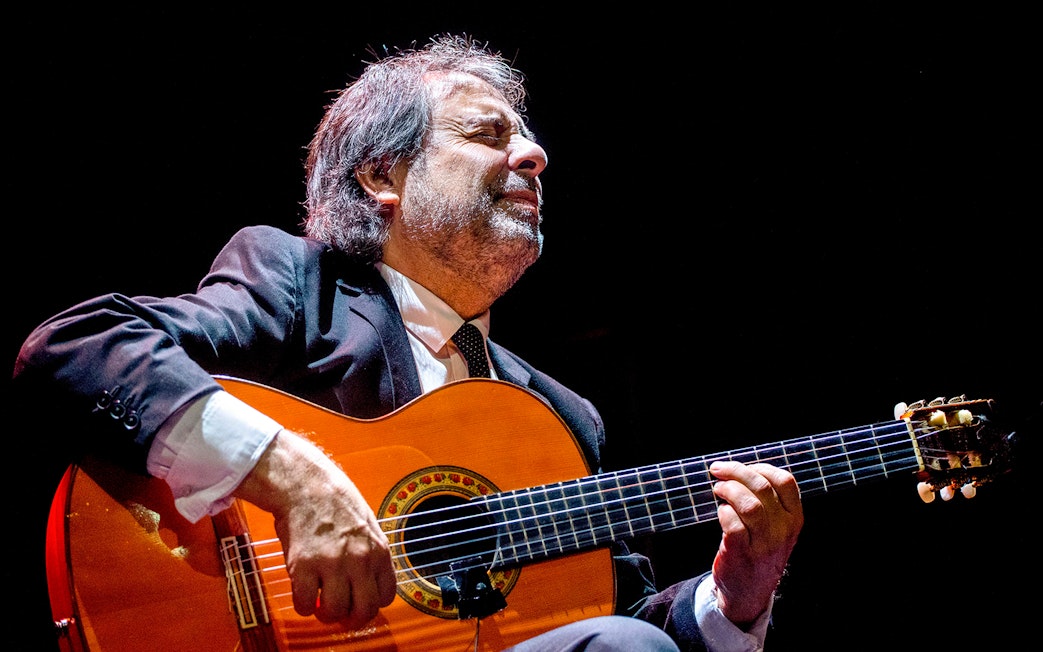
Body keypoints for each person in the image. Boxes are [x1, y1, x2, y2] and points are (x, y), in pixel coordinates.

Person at [12, 34, 802, 651]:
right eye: (485, 134)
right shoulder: (298, 284)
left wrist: (735, 597)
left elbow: (610, 625)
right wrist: (293, 479)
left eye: (527, 141)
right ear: (381, 176)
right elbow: (77, 346)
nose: (534, 155)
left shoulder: (561, 417)